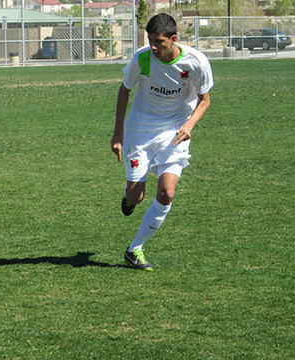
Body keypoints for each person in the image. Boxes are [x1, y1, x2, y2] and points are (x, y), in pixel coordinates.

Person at [110, 13, 213, 271]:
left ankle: (135, 249)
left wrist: (188, 125)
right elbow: (124, 90)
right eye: (150, 40)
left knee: (167, 192)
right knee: (137, 195)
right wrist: (118, 134)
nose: (153, 47)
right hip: (140, 131)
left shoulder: (196, 62)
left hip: (174, 131)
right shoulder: (143, 58)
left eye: (158, 42)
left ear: (173, 39)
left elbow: (205, 100)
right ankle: (129, 197)